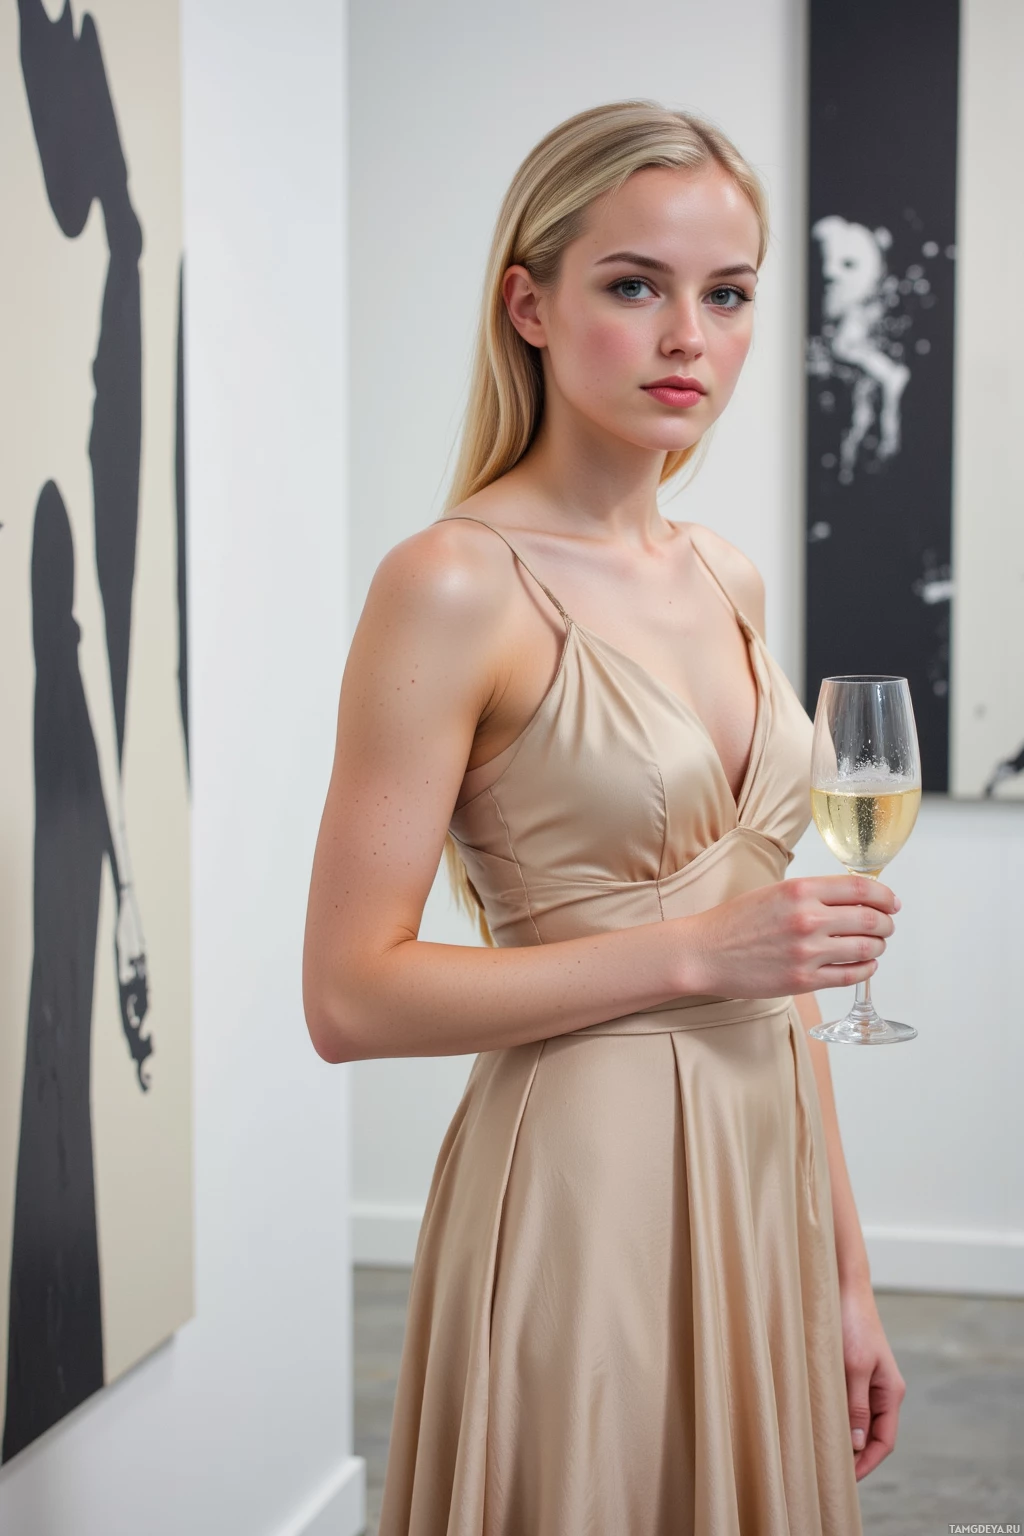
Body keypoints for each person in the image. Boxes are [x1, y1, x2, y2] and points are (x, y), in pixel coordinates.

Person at [303, 99, 906, 1535]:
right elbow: (348, 995)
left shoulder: (730, 578)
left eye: (729, 294)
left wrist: (847, 1272)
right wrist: (701, 957)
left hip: (766, 1174)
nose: (688, 336)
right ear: (530, 303)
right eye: (635, 285)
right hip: (582, 1187)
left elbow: (786, 959)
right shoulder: (453, 583)